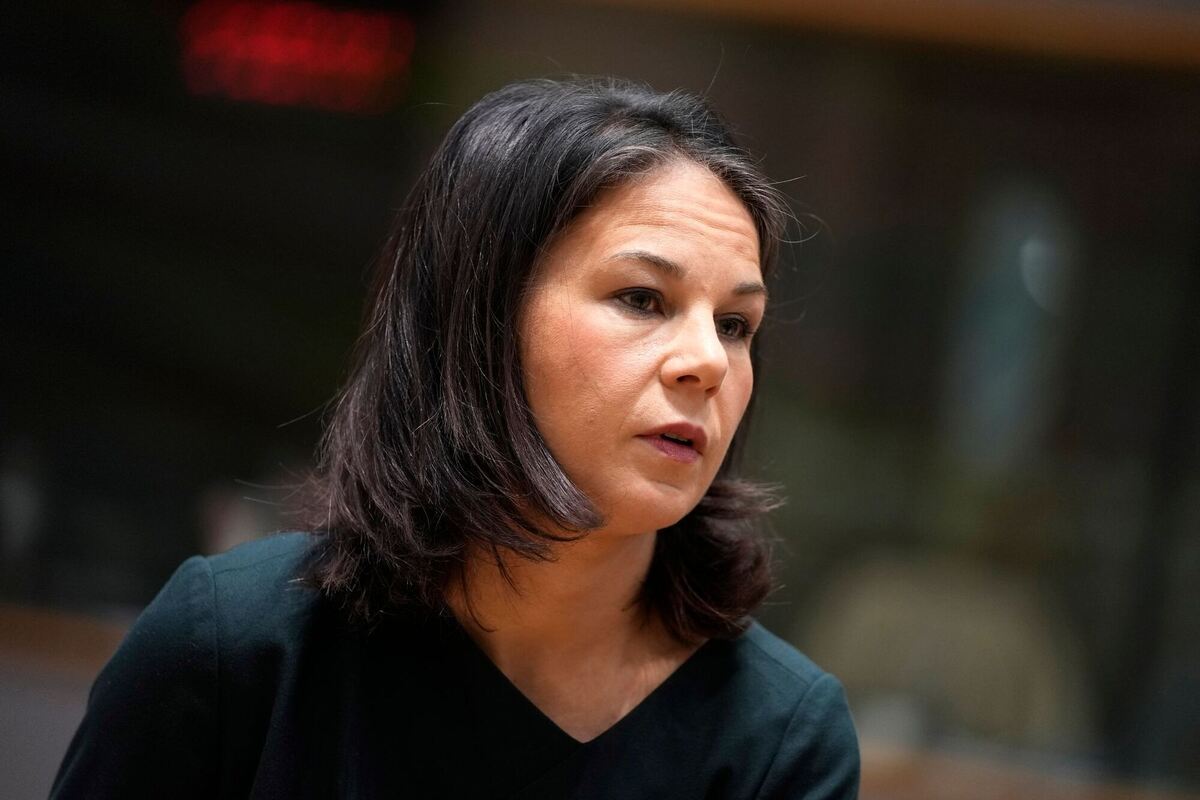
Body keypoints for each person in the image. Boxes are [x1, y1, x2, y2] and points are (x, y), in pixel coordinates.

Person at [51, 77, 860, 799]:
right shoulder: (232, 648)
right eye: (643, 298)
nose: (708, 362)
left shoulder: (778, 739)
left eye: (735, 324)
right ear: (480, 320)